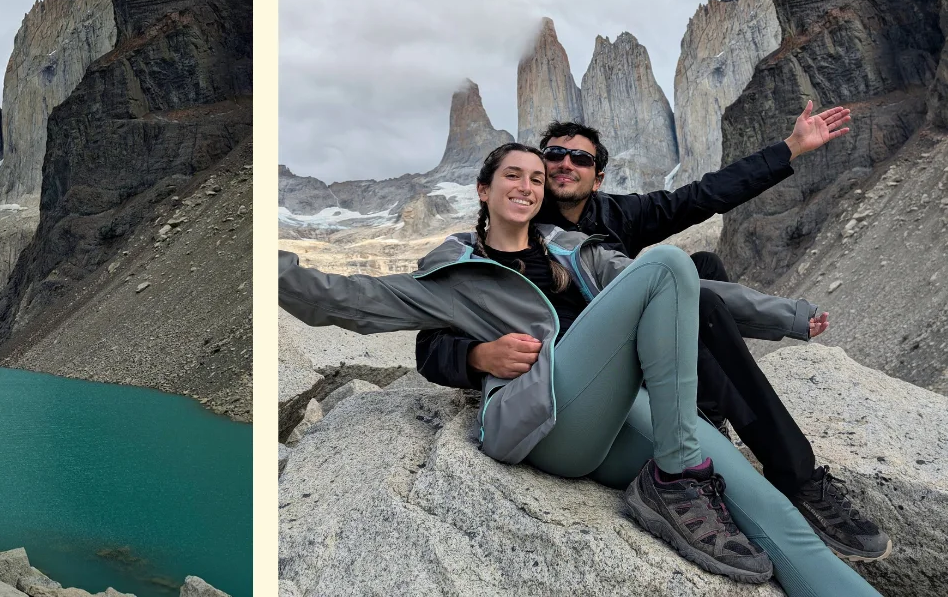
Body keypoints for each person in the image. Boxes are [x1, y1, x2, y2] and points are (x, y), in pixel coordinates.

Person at [278, 143, 880, 596]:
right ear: (483, 190)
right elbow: (345, 299)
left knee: (775, 518)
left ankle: (688, 483)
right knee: (667, 263)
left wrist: (787, 316)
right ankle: (677, 477)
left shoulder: (576, 250)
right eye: (513, 175)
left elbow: (694, 293)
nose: (528, 185)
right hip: (552, 423)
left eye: (536, 178)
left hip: (628, 419)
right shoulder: (455, 275)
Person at [416, 103, 890, 563]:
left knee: (703, 267)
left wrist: (790, 148)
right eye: (552, 156)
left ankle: (711, 417)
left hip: (647, 353)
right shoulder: (518, 230)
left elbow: (704, 195)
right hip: (587, 381)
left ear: (598, 178)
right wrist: (479, 356)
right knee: (699, 299)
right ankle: (790, 475)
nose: (564, 164)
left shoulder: (615, 215)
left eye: (580, 158)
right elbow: (434, 339)